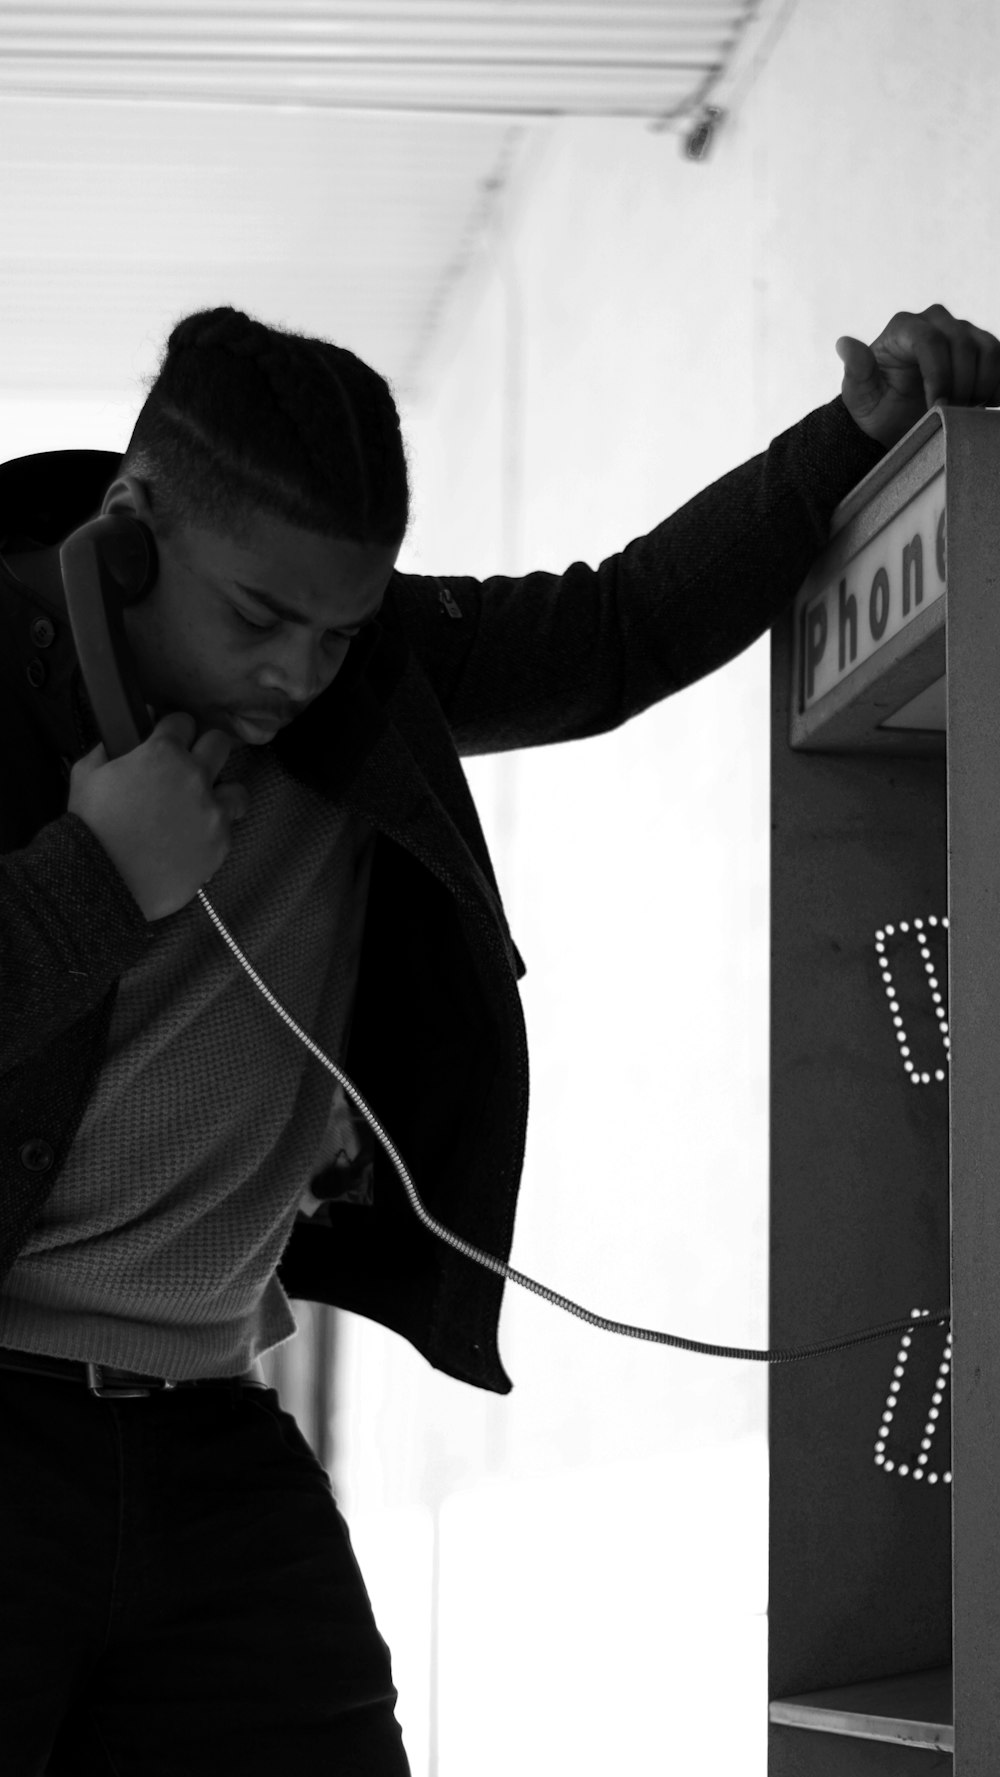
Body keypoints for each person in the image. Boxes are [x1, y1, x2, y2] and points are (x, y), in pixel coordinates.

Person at [0, 301, 996, 1774]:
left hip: (210, 1427)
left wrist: (855, 435)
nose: (298, 675)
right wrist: (94, 877)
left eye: (339, 632)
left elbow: (611, 631)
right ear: (125, 535)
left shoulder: (366, 678)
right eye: (259, 621)